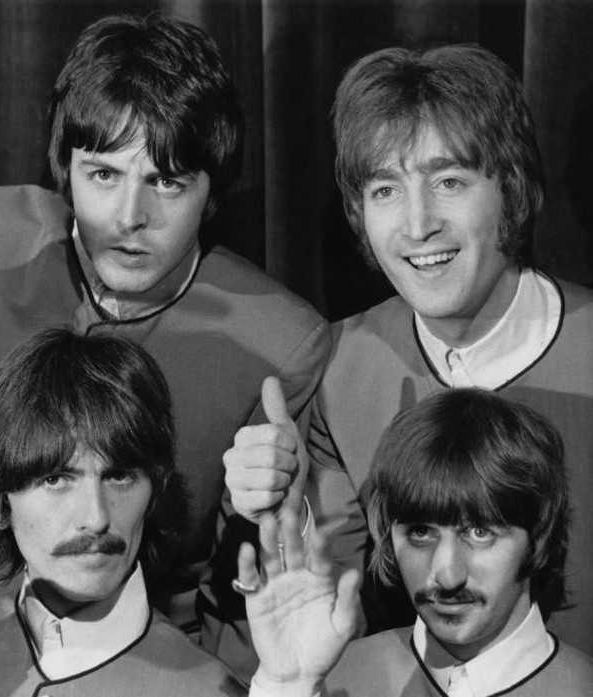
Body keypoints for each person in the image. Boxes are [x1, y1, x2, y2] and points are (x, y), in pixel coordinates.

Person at [0, 13, 328, 677]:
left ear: (213, 190)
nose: (131, 217)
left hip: (146, 659)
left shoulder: (281, 341)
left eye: (167, 181)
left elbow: (251, 595)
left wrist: (260, 511)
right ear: (63, 171)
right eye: (103, 176)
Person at [224, 44, 593, 653]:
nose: (418, 224)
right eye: (386, 191)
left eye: (449, 181)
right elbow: (344, 616)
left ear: (512, 189)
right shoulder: (340, 368)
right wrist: (280, 511)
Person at [0, 328, 247, 696]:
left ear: (154, 492)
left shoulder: (216, 689)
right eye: (56, 479)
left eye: (119, 476)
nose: (96, 518)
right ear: (0, 502)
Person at [240, 390, 593, 697]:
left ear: (538, 536)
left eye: (480, 532)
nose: (447, 575)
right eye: (421, 533)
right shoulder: (324, 678)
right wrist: (286, 686)